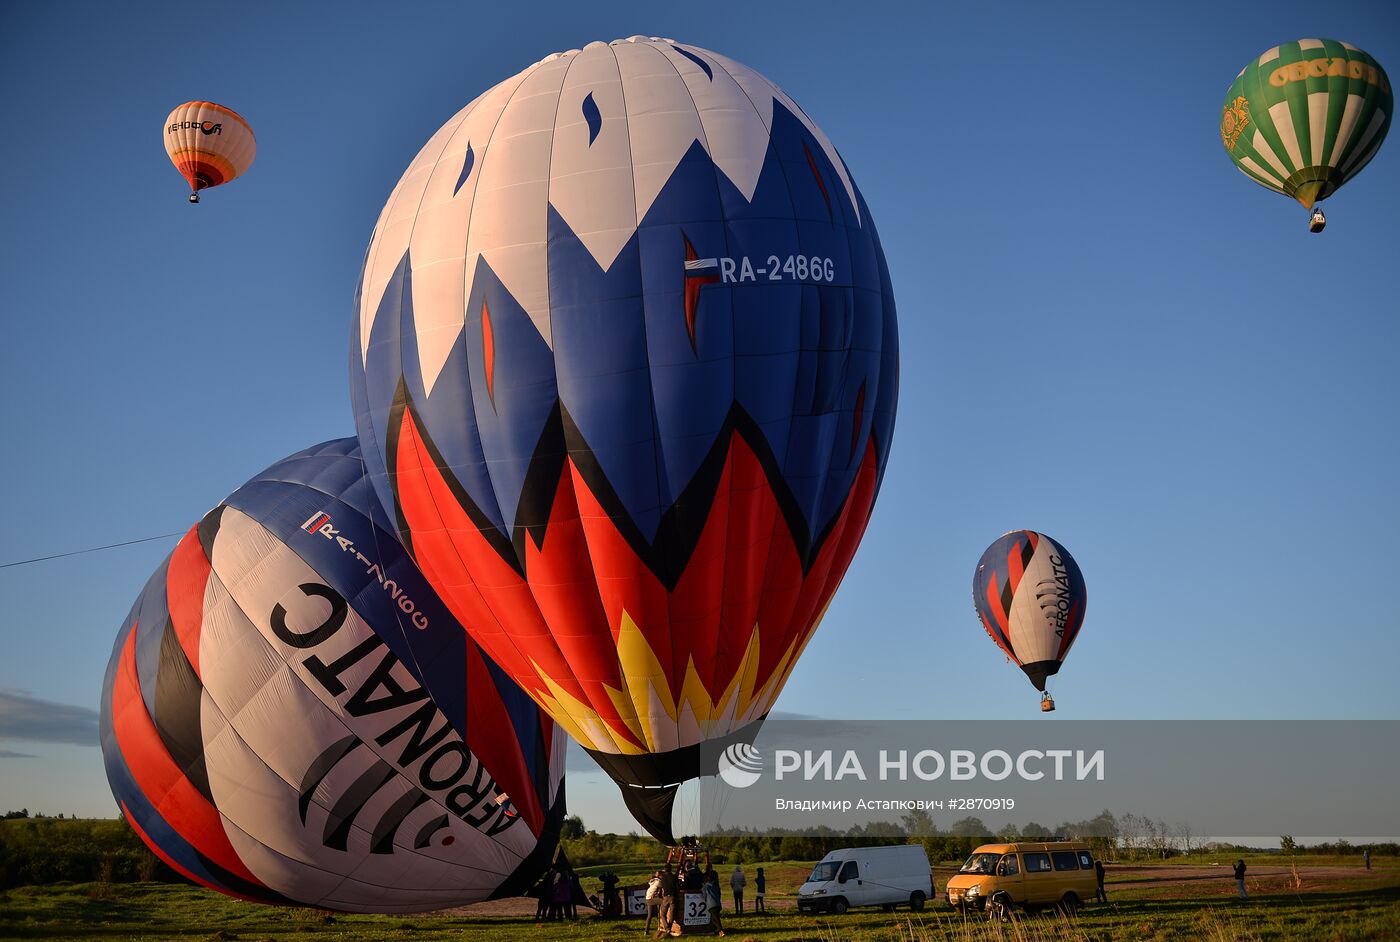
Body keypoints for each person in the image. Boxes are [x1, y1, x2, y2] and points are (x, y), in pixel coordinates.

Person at [655, 864, 678, 938]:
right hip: (673, 897)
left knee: (662, 914)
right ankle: (669, 928)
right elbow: (677, 886)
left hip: (665, 897)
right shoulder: (674, 877)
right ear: (671, 869)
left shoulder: (663, 878)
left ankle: (667, 928)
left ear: (665, 869)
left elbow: (661, 886)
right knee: (672, 914)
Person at [705, 870, 726, 937]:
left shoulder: (705, 886)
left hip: (711, 904)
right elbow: (719, 893)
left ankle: (720, 930)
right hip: (718, 904)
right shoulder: (716, 886)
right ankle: (716, 930)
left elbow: (704, 895)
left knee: (716, 919)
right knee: (714, 918)